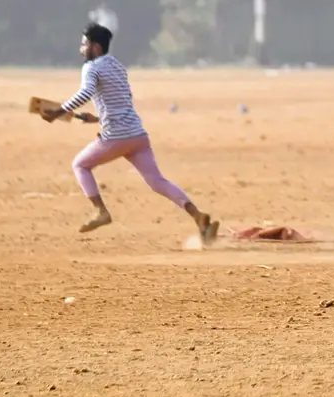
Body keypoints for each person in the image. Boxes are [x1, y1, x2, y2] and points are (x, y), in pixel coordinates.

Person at [41, 21, 217, 243]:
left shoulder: (91, 67)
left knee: (80, 165)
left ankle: (100, 211)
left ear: (95, 47)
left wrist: (58, 111)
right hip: (137, 135)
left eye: (84, 44)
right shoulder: (117, 65)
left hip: (116, 136)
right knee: (157, 181)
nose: (81, 49)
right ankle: (198, 216)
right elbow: (121, 102)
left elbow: (85, 93)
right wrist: (97, 118)